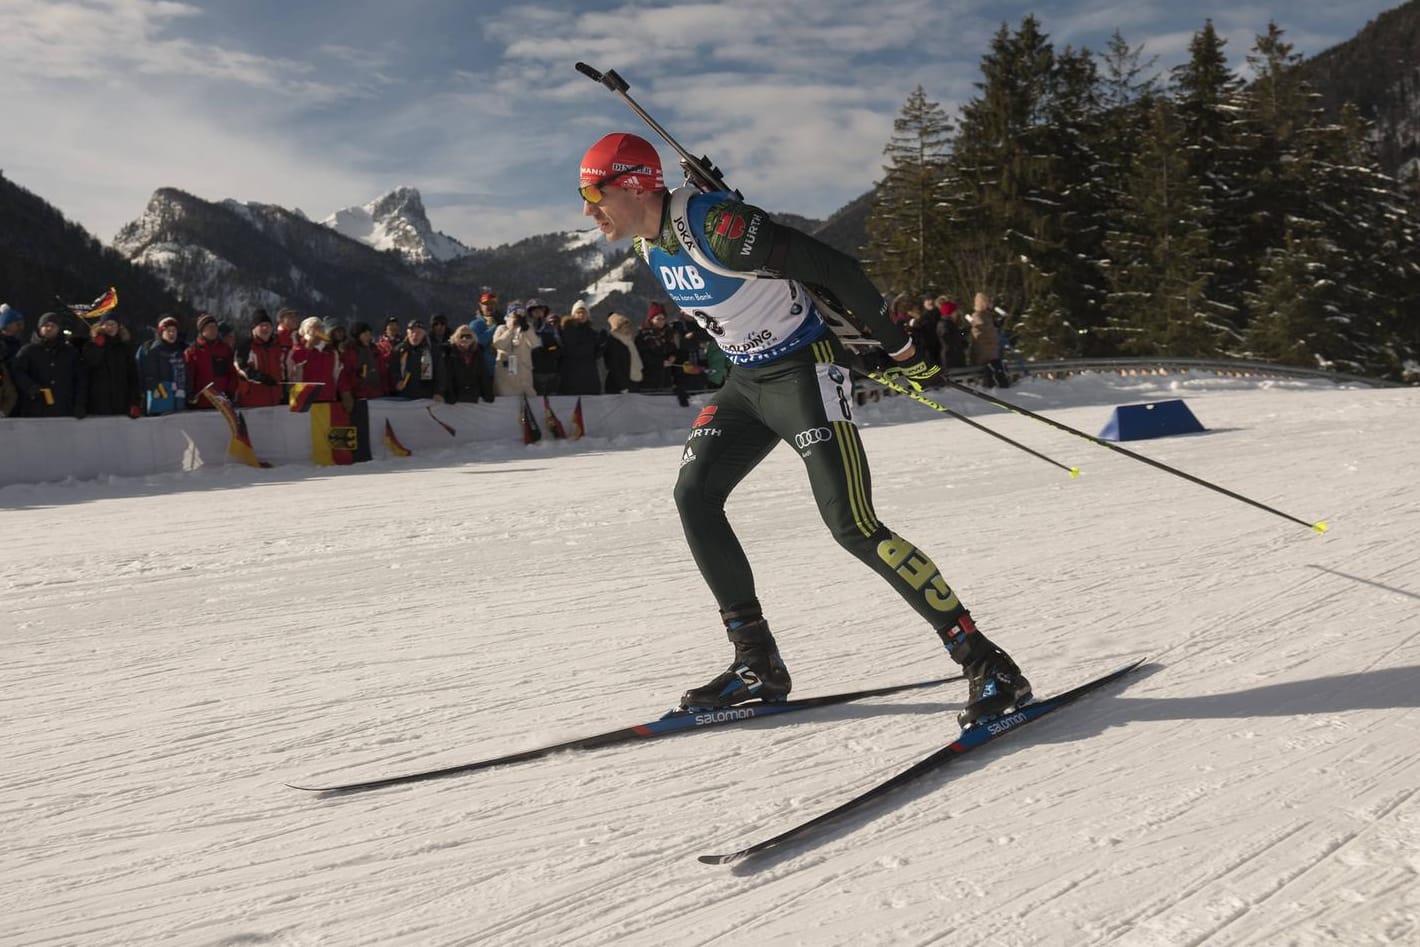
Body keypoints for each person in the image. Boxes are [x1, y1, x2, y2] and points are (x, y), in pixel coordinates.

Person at [577, 131, 1029, 726]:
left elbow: (836, 269)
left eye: (595, 192)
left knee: (852, 524)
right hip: (746, 383)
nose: (588, 210)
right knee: (694, 495)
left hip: (801, 376)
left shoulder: (713, 227)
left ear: (634, 185)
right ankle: (756, 663)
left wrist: (897, 350)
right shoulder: (644, 241)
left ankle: (986, 661)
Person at [11, 312, 85, 418]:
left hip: (64, 409)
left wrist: (79, 404)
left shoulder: (71, 352)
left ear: (58, 328)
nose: (49, 328)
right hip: (35, 409)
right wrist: (29, 386)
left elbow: (81, 379)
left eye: (53, 325)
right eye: (45, 325)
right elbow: (16, 371)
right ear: (40, 328)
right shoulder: (28, 351)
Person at [81, 313, 141, 417]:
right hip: (97, 404)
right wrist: (98, 348)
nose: (111, 327)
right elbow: (87, 368)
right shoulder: (91, 345)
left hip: (121, 403)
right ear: (101, 326)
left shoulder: (124, 348)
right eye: (107, 324)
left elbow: (133, 378)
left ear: (118, 327)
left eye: (114, 324)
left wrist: (134, 402)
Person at [137, 315, 188, 415]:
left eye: (174, 330)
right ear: (161, 332)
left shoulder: (183, 350)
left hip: (179, 401)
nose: (172, 333)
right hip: (158, 401)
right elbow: (140, 373)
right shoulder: (149, 350)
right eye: (168, 331)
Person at [184, 313, 238, 407]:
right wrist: (190, 395)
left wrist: (230, 392)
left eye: (215, 327)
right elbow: (189, 377)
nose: (213, 330)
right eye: (209, 327)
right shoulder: (192, 352)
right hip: (201, 402)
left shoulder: (225, 349)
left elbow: (232, 373)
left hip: (223, 402)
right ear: (202, 330)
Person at [236, 309, 285, 408]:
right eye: (261, 325)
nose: (265, 328)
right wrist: (260, 377)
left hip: (275, 398)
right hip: (253, 399)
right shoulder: (246, 345)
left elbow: (283, 368)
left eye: (268, 325)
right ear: (254, 328)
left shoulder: (277, 346)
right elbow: (240, 367)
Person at [491, 301, 542, 398]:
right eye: (515, 315)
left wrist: (526, 329)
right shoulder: (501, 328)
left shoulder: (527, 328)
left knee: (527, 402)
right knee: (506, 400)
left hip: (524, 374)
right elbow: (498, 345)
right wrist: (511, 330)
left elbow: (535, 344)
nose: (518, 317)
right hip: (506, 374)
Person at [389, 319, 445, 401]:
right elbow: (393, 369)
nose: (415, 335)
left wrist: (439, 392)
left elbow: (441, 373)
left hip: (427, 396)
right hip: (404, 395)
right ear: (407, 333)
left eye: (419, 332)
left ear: (424, 334)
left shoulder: (433, 350)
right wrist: (397, 381)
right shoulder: (399, 350)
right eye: (412, 332)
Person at [557, 300, 602, 396]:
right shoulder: (566, 330)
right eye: (578, 312)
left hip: (589, 375)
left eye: (584, 312)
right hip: (570, 374)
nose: (581, 315)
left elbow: (595, 354)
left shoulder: (592, 333)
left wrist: (602, 345)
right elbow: (570, 351)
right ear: (573, 314)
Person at [443, 324, 494, 404]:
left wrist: (488, 395)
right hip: (454, 398)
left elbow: (484, 375)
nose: (464, 339)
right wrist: (450, 396)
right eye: (461, 336)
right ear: (456, 338)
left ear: (473, 338)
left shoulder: (478, 353)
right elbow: (447, 377)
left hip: (474, 396)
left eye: (468, 336)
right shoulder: (448, 353)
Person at [968, 292, 1011, 389]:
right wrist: (995, 327)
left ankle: (997, 384)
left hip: (991, 350)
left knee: (994, 368)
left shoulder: (987, 315)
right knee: (989, 370)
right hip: (985, 351)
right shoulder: (978, 316)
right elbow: (984, 331)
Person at [602, 312, 642, 393]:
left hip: (631, 382)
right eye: (624, 327)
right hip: (618, 386)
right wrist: (623, 386)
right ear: (617, 328)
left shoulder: (628, 341)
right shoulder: (612, 342)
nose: (627, 329)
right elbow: (614, 366)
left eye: (628, 326)